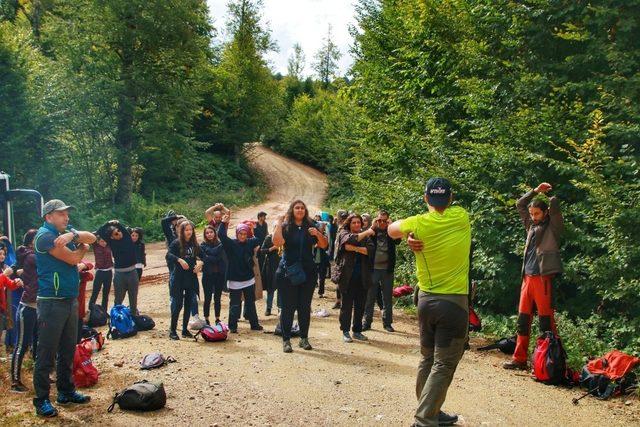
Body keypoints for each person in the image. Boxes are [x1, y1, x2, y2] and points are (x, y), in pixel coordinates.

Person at [387, 178, 470, 427]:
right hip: (453, 303)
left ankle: (432, 410)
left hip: (425, 301)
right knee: (444, 363)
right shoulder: (461, 215)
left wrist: (410, 236)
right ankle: (425, 419)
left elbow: (391, 229)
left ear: (425, 199)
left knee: (427, 358)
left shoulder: (419, 223)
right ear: (451, 198)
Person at [32, 199, 97, 417]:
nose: (66, 217)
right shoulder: (44, 237)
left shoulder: (65, 232)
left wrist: (73, 236)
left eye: (67, 214)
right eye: (61, 214)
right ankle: (41, 399)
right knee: (46, 352)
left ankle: (66, 391)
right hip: (51, 301)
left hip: (69, 299)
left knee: (68, 349)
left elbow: (93, 237)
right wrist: (82, 248)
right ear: (48, 216)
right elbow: (71, 259)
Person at [503, 182, 564, 370]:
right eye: (532, 214)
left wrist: (547, 196)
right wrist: (535, 191)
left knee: (546, 322)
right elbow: (520, 204)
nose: (533, 217)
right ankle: (519, 359)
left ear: (545, 213)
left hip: (543, 279)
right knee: (523, 320)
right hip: (527, 278)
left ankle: (548, 362)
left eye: (537, 213)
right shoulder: (530, 225)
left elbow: (554, 206)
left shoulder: (553, 227)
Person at [273, 200, 328, 353]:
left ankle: (304, 338)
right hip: (287, 273)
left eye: (302, 208)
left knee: (304, 307)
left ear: (305, 210)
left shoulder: (311, 226)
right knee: (288, 308)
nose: (300, 210)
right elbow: (277, 243)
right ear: (292, 210)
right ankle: (286, 340)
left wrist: (317, 234)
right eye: (297, 207)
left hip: (308, 272)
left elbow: (324, 246)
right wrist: (278, 222)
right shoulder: (285, 226)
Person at [217, 207, 263, 333]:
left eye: (244, 234)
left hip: (248, 279)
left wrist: (253, 229)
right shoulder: (231, 244)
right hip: (235, 280)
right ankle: (232, 326)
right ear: (237, 234)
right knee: (235, 305)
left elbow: (261, 238)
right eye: (240, 234)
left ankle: (254, 324)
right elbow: (221, 235)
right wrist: (223, 222)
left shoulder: (250, 242)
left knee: (250, 303)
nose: (242, 236)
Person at [333, 214, 375, 343]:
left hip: (362, 277)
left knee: (360, 306)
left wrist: (354, 248)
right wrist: (362, 239)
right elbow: (348, 241)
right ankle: (345, 331)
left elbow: (370, 250)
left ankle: (357, 331)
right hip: (347, 276)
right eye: (354, 223)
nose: (357, 225)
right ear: (349, 224)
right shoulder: (343, 233)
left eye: (359, 223)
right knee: (346, 306)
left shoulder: (365, 236)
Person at [363, 210, 401, 333]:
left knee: (387, 298)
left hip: (387, 270)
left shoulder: (391, 232)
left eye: (385, 220)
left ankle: (387, 323)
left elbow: (398, 240)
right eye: (380, 220)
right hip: (373, 269)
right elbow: (364, 238)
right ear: (376, 220)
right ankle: (366, 322)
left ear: (388, 220)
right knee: (370, 297)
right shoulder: (372, 231)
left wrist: (392, 225)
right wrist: (373, 225)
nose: (382, 223)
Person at [11, 230, 38, 393]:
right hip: (27, 307)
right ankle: (15, 382)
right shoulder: (31, 256)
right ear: (30, 242)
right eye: (37, 239)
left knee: (37, 342)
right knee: (22, 345)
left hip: (39, 306)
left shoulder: (32, 256)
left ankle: (38, 374)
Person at [166, 221, 203, 339]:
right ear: (182, 231)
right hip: (178, 278)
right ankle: (172, 331)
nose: (189, 232)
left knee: (188, 304)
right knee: (177, 304)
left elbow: (203, 256)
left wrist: (200, 264)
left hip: (191, 278)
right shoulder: (176, 243)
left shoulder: (195, 244)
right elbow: (168, 255)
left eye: (191, 230)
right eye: (186, 230)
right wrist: (179, 260)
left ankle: (184, 330)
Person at [97, 220, 139, 314]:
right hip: (119, 274)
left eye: (119, 231)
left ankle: (133, 318)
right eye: (116, 233)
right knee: (118, 298)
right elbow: (100, 231)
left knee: (133, 298)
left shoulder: (127, 237)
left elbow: (123, 229)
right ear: (111, 237)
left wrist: (117, 223)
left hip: (132, 272)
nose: (119, 233)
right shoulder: (111, 242)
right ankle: (116, 320)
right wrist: (108, 223)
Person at [200, 225, 225, 326]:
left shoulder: (219, 243)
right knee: (207, 298)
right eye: (207, 233)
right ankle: (206, 318)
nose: (209, 234)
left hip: (219, 275)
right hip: (207, 275)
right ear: (205, 235)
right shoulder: (202, 245)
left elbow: (218, 258)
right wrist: (212, 256)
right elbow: (206, 258)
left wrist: (208, 256)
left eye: (211, 232)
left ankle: (217, 318)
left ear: (215, 233)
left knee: (218, 298)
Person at [1, 247, 23, 358]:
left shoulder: (2, 268)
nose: (2, 256)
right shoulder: (3, 271)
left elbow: (8, 284)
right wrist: (4, 275)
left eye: (3, 254)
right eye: (0, 254)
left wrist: (16, 282)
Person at [331, 210, 349, 309]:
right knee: (338, 280)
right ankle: (338, 300)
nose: (343, 220)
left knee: (344, 281)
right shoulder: (338, 227)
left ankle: (344, 301)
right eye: (342, 218)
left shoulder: (348, 229)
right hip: (337, 257)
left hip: (344, 258)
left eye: (345, 218)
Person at [89, 236, 113, 309]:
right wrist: (99, 234)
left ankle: (104, 311)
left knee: (106, 293)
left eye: (105, 241)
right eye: (102, 241)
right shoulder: (95, 246)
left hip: (109, 272)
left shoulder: (109, 245)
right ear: (98, 241)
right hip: (100, 272)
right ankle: (91, 311)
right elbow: (92, 236)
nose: (104, 243)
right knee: (95, 292)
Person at [76, 260, 93, 341]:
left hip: (79, 310)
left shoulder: (82, 275)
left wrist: (82, 265)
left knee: (78, 338)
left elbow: (90, 265)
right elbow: (90, 276)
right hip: (70, 310)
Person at [313, 221, 330, 298]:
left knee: (322, 277)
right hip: (313, 259)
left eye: (323, 227)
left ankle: (321, 292)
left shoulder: (325, 235)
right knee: (313, 277)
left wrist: (319, 244)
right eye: (321, 227)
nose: (323, 228)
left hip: (322, 259)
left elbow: (325, 246)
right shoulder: (313, 236)